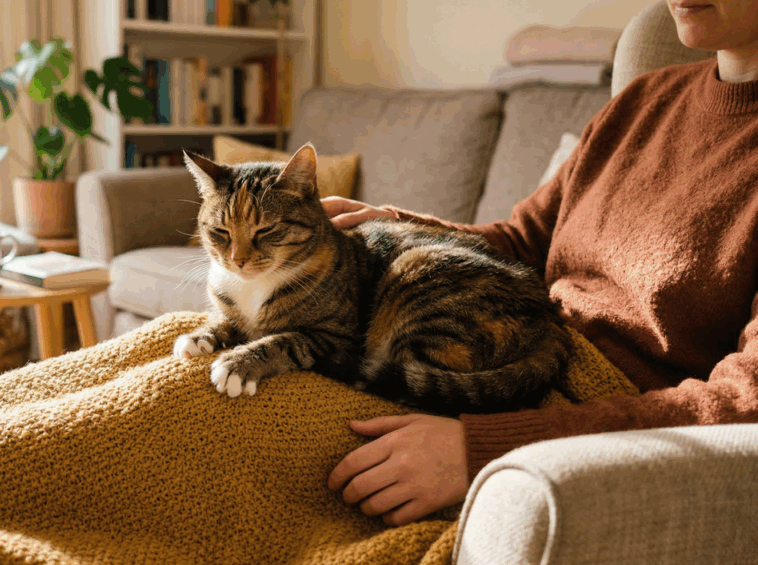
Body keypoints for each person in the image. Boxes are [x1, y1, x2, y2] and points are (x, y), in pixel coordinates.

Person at [324, 0, 758, 527]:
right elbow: (523, 239)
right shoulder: (644, 100)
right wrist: (396, 225)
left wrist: (483, 449)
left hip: (558, 414)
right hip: (486, 342)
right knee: (209, 370)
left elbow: (742, 401)